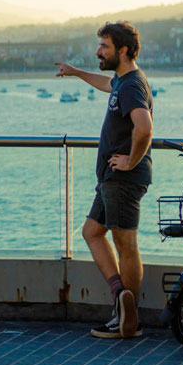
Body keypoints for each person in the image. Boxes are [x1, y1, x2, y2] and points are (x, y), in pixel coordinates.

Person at [55, 21, 153, 339]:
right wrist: (77, 72)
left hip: (124, 178)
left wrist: (130, 160)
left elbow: (145, 127)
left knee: (126, 245)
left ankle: (129, 317)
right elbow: (106, 84)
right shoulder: (123, 81)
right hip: (111, 179)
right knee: (92, 232)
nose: (98, 51)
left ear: (122, 50)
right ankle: (120, 299)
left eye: (104, 46)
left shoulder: (133, 85)